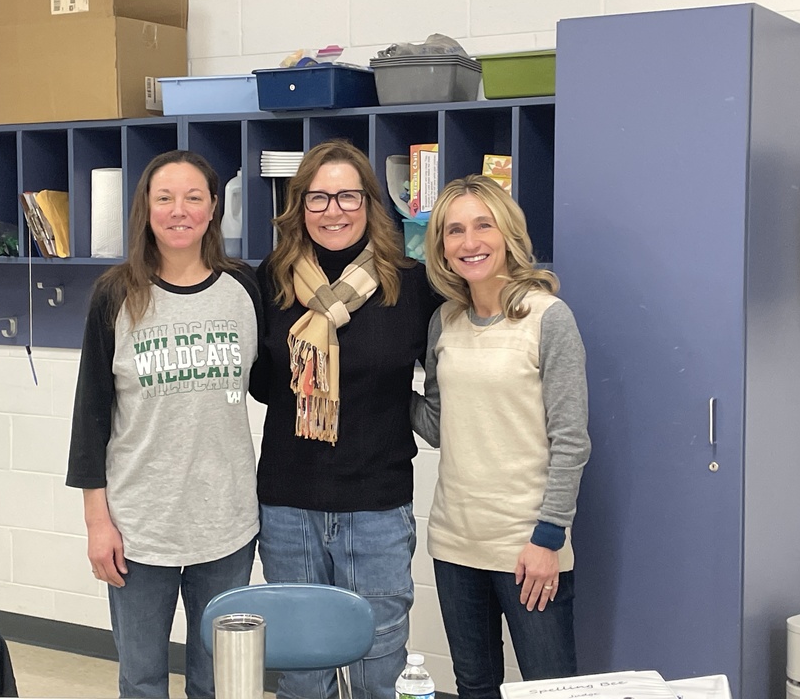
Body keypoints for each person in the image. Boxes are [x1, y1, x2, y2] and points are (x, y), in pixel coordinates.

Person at [66, 150, 262, 699]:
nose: (180, 210)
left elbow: (273, 384)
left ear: (213, 208)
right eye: (165, 198)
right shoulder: (116, 293)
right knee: (143, 677)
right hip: (139, 528)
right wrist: (96, 522)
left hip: (226, 524)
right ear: (145, 210)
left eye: (194, 197)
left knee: (217, 678)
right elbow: (90, 418)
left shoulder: (243, 288)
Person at [249, 139, 440, 699]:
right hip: (288, 500)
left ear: (370, 204)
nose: (333, 210)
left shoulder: (411, 285)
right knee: (302, 669)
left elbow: (445, 376)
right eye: (318, 197)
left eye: (348, 196)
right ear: (298, 206)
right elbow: (259, 380)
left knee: (378, 663)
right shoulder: (273, 280)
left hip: (377, 503)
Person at [410, 175, 591, 699]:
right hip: (454, 542)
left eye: (482, 226)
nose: (470, 243)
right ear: (441, 247)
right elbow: (440, 426)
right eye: (454, 230)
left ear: (507, 233)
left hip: (527, 547)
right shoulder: (444, 321)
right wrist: (379, 385)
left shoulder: (548, 318)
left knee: (550, 689)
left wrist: (548, 538)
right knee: (474, 686)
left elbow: (571, 440)